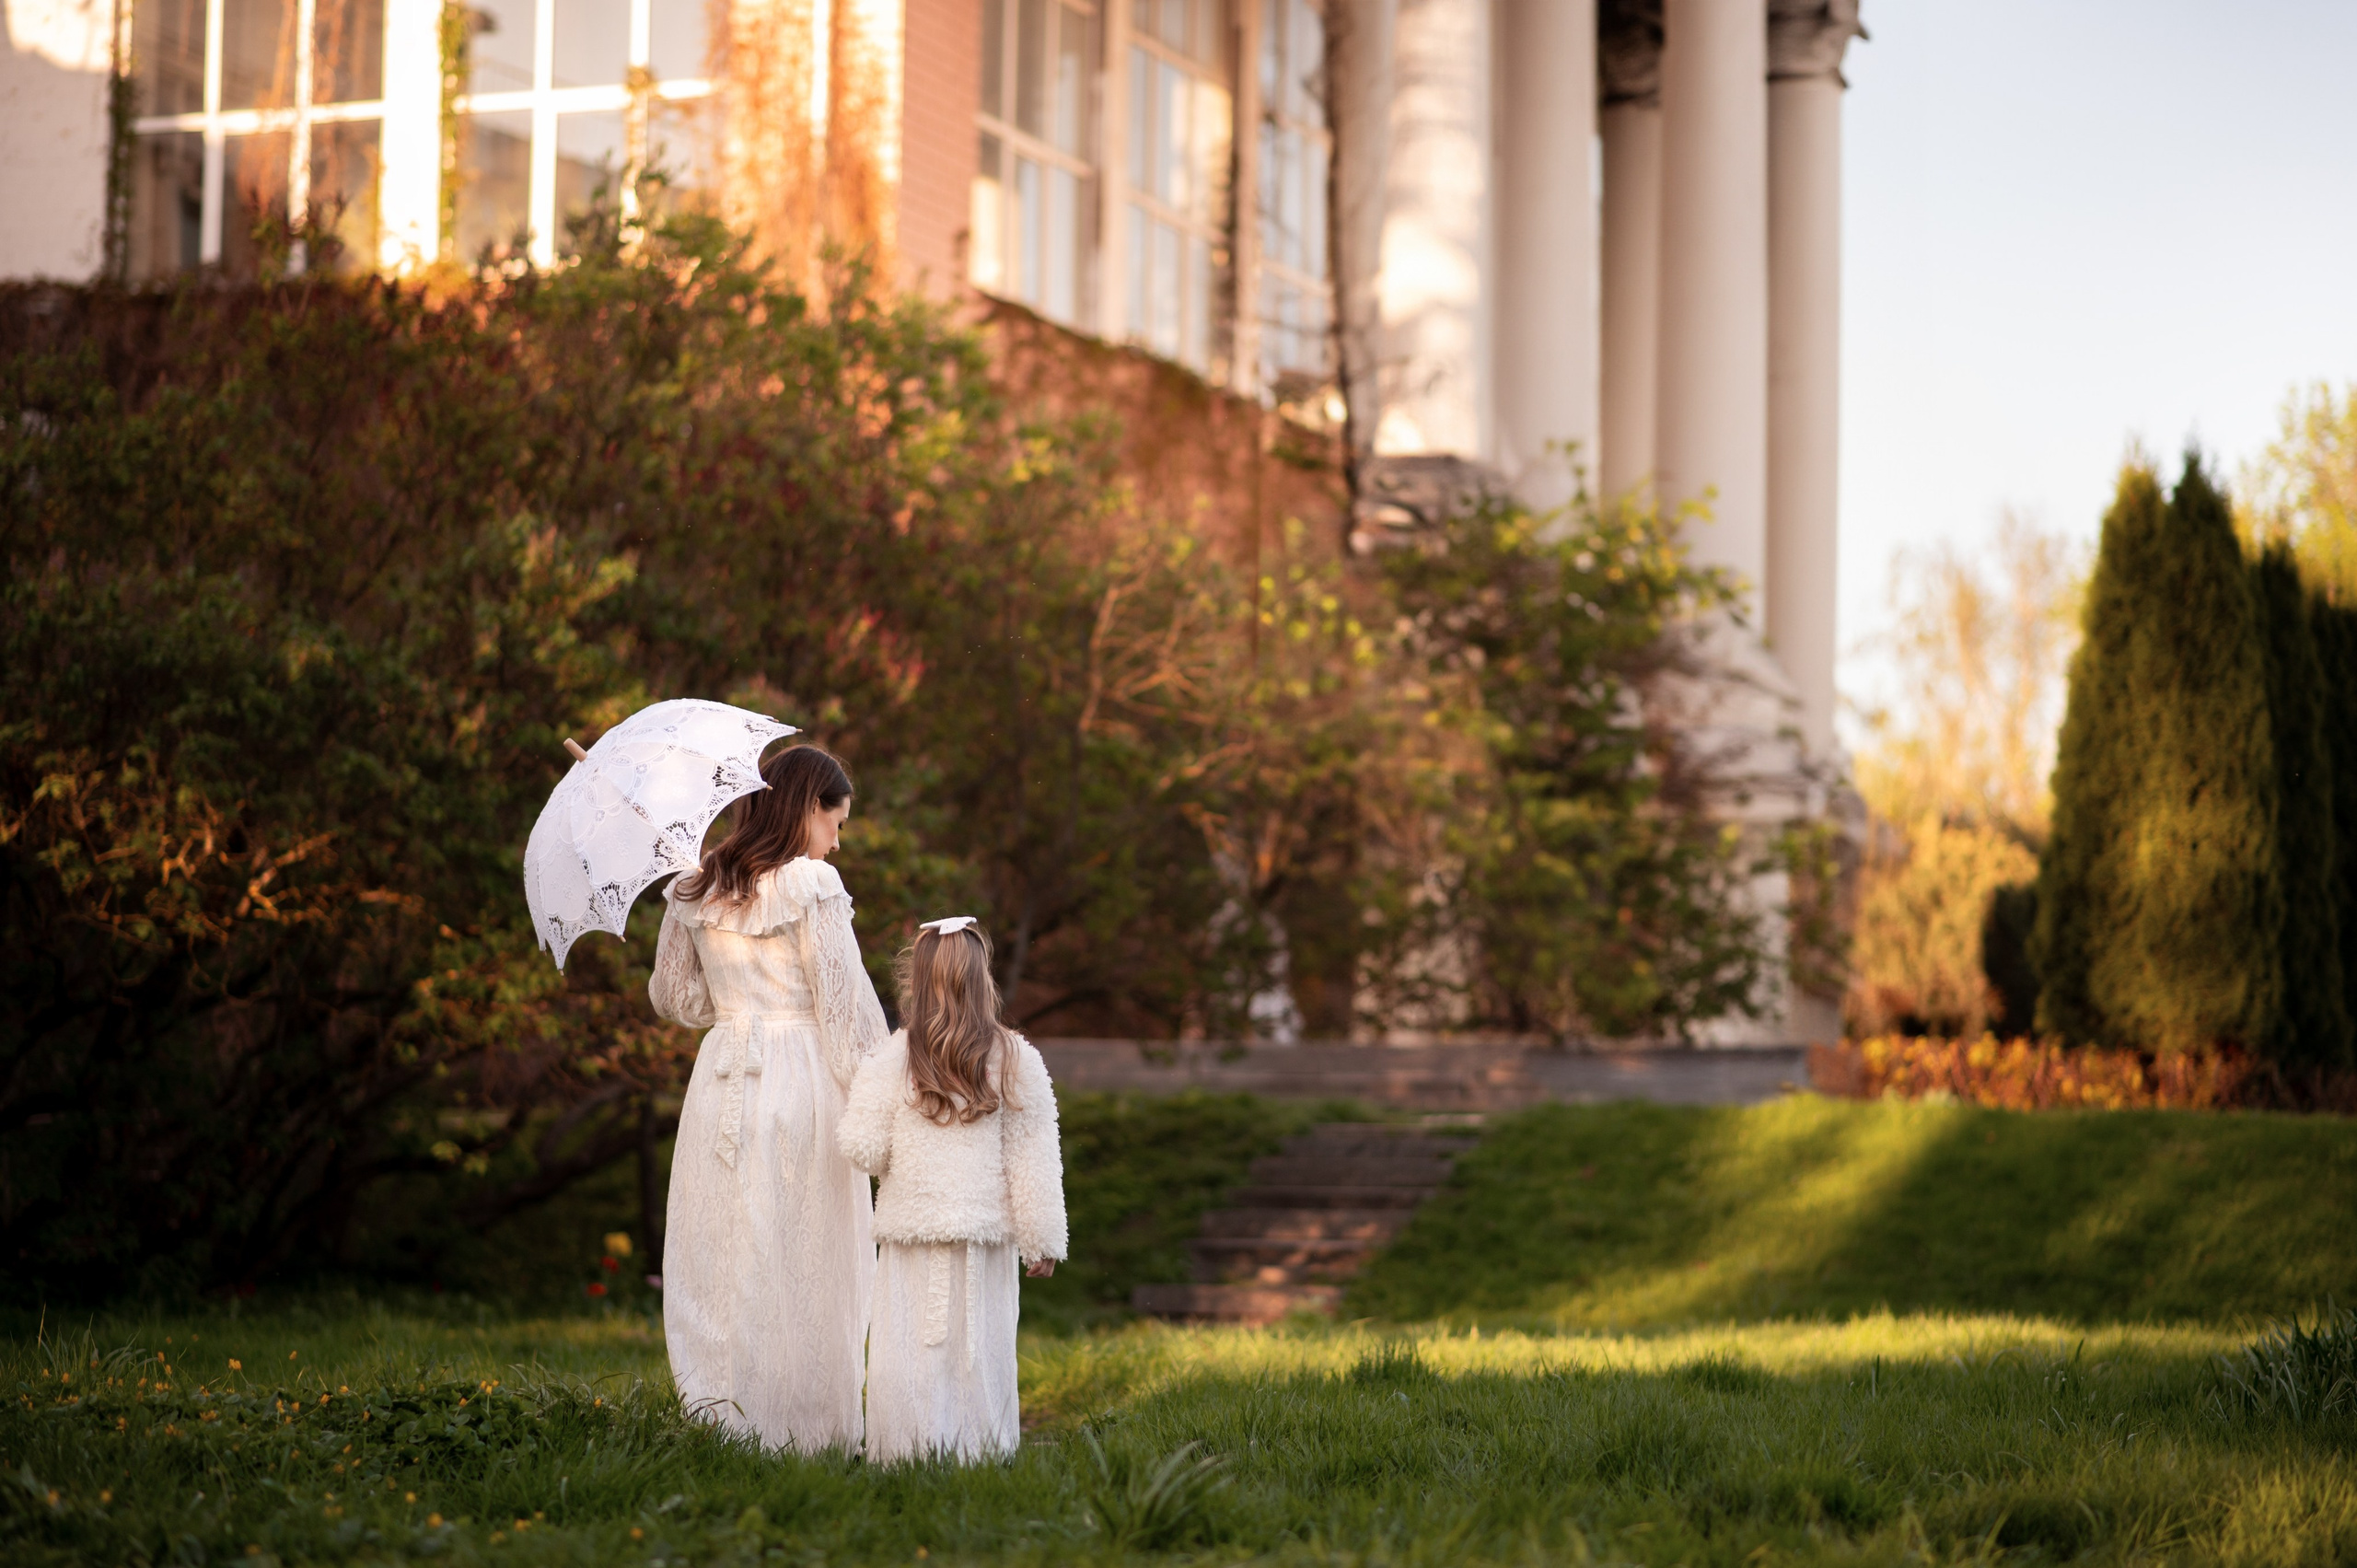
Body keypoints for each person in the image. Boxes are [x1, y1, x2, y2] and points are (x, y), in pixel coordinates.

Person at [647, 743, 890, 1452]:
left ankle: (724, 1418)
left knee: (724, 1245)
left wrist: (704, 950)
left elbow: (675, 998)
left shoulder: (695, 888)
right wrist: (884, 1109)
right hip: (802, 1076)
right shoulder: (810, 885)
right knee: (809, 1249)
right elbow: (846, 1014)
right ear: (807, 805)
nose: (836, 840)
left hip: (724, 1073)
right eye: (835, 821)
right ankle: (808, 1428)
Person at [838, 917, 1068, 1464]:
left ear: (916, 981)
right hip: (984, 1239)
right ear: (982, 977)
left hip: (910, 1233)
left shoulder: (894, 1058)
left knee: (908, 1351)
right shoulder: (1015, 1058)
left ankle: (903, 1455)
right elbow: (1034, 1156)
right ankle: (981, 1455)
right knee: (981, 1353)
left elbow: (863, 1149)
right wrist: (1041, 1239)